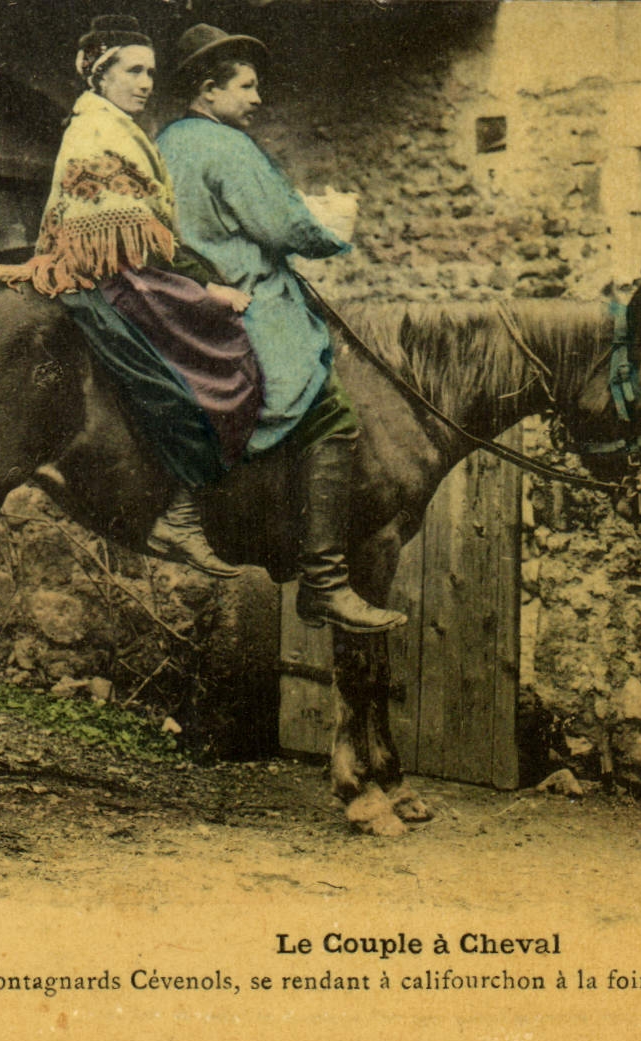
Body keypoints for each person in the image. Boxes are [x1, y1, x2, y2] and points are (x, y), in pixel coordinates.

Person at [0, 15, 259, 579]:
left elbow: (155, 232)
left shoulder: (120, 129)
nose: (146, 82)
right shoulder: (98, 131)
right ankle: (180, 512)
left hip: (127, 267)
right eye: (133, 70)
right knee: (223, 362)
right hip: (112, 276)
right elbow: (123, 242)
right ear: (100, 74)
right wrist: (206, 292)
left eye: (151, 72)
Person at [155, 24, 406, 634]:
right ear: (209, 91)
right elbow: (285, 226)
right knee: (332, 409)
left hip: (185, 297)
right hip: (244, 298)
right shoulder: (227, 148)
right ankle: (325, 580)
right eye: (248, 86)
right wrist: (334, 228)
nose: (258, 99)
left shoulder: (165, 143)